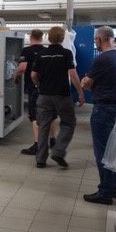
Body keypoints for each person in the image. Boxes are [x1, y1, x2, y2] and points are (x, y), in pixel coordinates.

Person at [81, 26, 116, 205]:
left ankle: (105, 192)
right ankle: (114, 187)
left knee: (102, 152)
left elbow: (86, 83)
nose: (96, 42)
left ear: (100, 40)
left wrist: (86, 82)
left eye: (96, 40)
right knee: (114, 151)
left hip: (103, 110)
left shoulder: (102, 59)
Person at [31, 26, 85, 169]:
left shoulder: (41, 54)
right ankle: (58, 151)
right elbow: (73, 74)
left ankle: (40, 160)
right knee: (68, 123)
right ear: (62, 38)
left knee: (43, 126)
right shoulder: (66, 53)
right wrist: (80, 92)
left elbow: (33, 75)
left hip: (44, 95)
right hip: (62, 95)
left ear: (49, 38)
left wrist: (38, 85)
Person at [14, 29, 58, 155]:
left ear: (30, 37)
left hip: (34, 87)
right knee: (50, 114)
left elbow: (22, 67)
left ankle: (37, 145)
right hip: (48, 88)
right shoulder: (46, 51)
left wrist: (15, 75)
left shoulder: (26, 50)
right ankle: (53, 141)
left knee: (34, 116)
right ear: (42, 37)